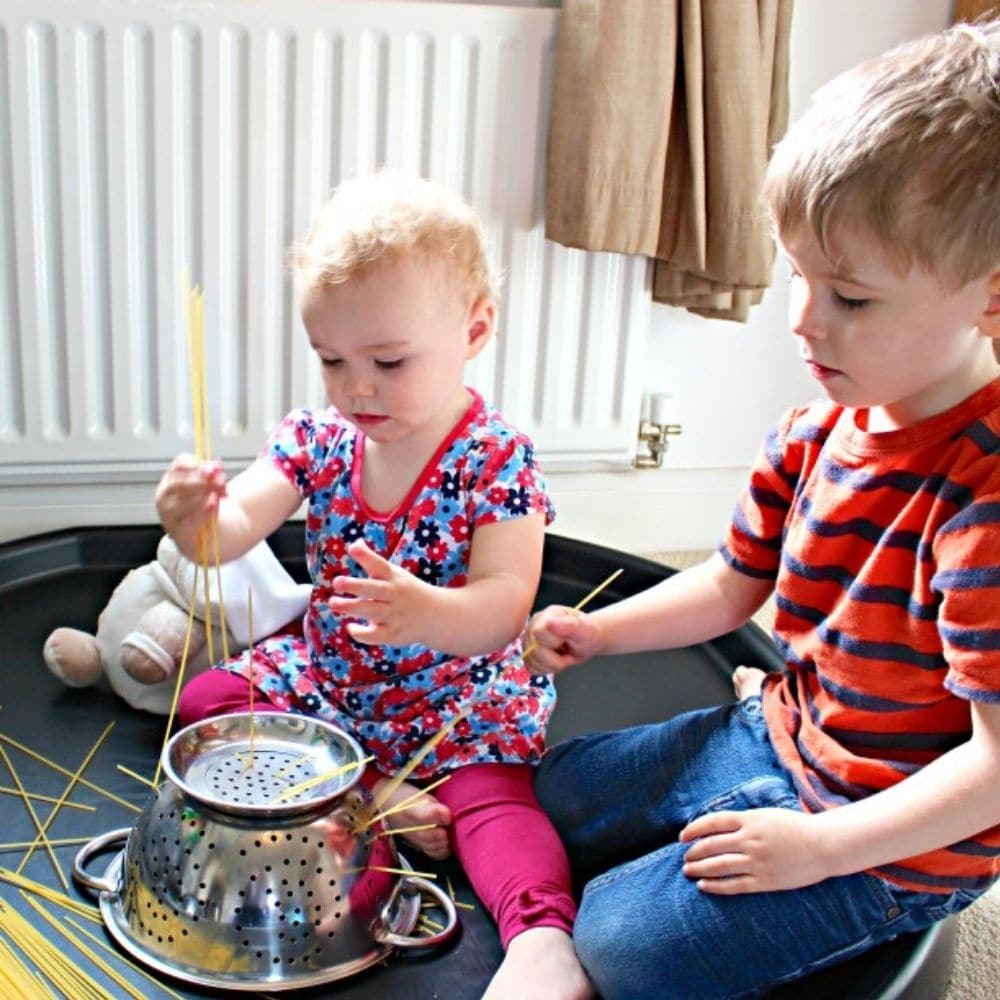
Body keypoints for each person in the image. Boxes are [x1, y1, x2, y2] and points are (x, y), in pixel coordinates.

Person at [525, 19, 1000, 999]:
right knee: (551, 792)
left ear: (988, 299)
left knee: (617, 942)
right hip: (779, 730)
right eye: (798, 275)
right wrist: (596, 632)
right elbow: (732, 584)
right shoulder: (814, 429)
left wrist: (819, 849)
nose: (803, 320)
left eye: (851, 297)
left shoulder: (982, 503)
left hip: (892, 833)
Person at [156, 170, 591, 1000]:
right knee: (208, 702)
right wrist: (191, 519)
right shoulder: (320, 435)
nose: (356, 386)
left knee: (495, 809)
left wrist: (426, 611)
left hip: (455, 701)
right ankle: (372, 794)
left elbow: (504, 607)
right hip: (330, 686)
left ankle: (541, 938)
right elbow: (233, 529)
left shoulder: (495, 459)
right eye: (331, 360)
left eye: (388, 361)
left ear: (475, 329)